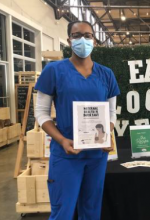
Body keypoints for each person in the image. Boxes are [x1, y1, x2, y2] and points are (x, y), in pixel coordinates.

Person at [35, 21, 120, 220]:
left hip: (96, 155)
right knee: (62, 212)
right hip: (66, 154)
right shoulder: (54, 71)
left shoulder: (106, 74)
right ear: (69, 40)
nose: (83, 40)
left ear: (95, 40)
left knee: (91, 211)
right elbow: (41, 113)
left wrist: (107, 134)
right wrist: (62, 140)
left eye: (88, 35)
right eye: (77, 35)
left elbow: (112, 112)